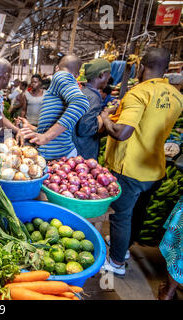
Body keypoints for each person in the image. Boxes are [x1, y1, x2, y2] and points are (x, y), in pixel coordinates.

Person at [100, 48, 183, 276]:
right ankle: (124, 248)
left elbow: (122, 132)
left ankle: (116, 263)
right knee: (138, 211)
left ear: (142, 66)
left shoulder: (139, 93)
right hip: (155, 168)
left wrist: (106, 119)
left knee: (120, 215)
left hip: (131, 167)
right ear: (166, 70)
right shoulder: (177, 96)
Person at [20, 55, 90, 160]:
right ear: (77, 74)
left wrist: (46, 137)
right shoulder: (63, 83)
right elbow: (52, 124)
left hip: (59, 156)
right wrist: (32, 127)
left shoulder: (61, 76)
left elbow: (81, 103)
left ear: (57, 68)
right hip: (60, 154)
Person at [73, 58, 112, 160]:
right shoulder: (93, 97)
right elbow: (85, 129)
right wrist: (103, 117)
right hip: (84, 151)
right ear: (102, 74)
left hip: (75, 148)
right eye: (108, 75)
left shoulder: (83, 91)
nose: (109, 78)